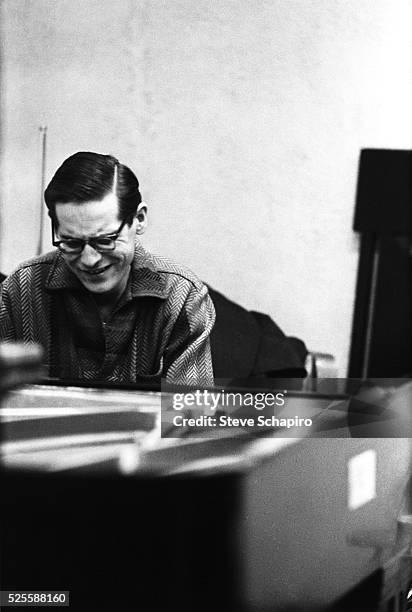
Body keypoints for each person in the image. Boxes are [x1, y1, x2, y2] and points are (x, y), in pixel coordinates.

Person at [0, 152, 215, 385]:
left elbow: (191, 415)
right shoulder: (19, 290)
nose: (89, 259)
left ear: (139, 219)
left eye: (105, 240)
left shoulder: (183, 297)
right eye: (71, 242)